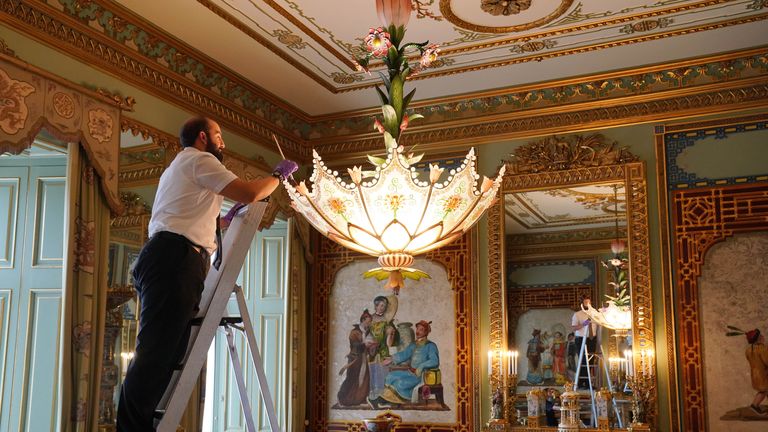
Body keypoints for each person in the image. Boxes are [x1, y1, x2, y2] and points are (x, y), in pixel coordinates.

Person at [116, 117, 298, 431]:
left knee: (164, 352)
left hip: (169, 257)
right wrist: (277, 176)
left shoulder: (181, 167)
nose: (223, 142)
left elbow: (189, 217)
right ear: (203, 137)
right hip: (173, 260)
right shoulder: (199, 159)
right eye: (218, 135)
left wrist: (222, 221)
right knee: (155, 354)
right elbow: (249, 192)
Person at [370, 320, 439, 407]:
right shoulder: (414, 344)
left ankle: (384, 401)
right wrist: (392, 358)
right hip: (410, 372)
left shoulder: (431, 345)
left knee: (400, 383)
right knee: (390, 376)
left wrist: (422, 366)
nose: (418, 331)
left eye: (421, 329)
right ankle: (387, 400)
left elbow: (435, 361)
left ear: (426, 332)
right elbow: (404, 354)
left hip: (421, 376)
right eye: (417, 329)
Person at [337, 310, 373, 406]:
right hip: (355, 358)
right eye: (368, 321)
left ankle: (360, 398)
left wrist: (372, 346)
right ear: (363, 320)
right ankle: (344, 398)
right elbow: (354, 344)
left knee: (364, 378)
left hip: (364, 358)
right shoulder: (355, 332)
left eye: (370, 322)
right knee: (352, 378)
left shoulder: (368, 332)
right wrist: (364, 344)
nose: (369, 323)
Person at [571, 294, 598, 389]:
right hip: (581, 339)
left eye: (589, 302)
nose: (588, 304)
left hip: (592, 339)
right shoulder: (577, 314)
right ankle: (581, 382)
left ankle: (587, 383)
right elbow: (574, 328)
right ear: (582, 303)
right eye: (586, 302)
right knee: (583, 360)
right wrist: (584, 324)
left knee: (590, 360)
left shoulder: (595, 313)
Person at [745, 329, 768, 415]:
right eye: (761, 336)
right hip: (764, 374)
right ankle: (754, 405)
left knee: (765, 390)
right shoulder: (762, 349)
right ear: (758, 339)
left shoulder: (748, 350)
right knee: (763, 391)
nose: (763, 337)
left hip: (755, 375)